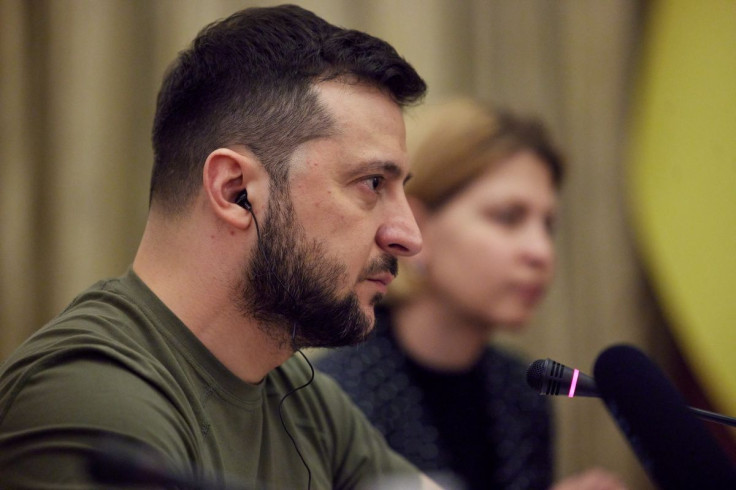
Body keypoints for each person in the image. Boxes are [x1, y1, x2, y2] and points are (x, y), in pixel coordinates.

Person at [0, 5, 441, 489]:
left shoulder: (299, 398)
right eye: (372, 183)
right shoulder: (90, 399)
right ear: (236, 191)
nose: (408, 236)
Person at [317, 98, 626, 490]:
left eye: (548, 226)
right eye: (508, 217)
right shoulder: (333, 396)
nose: (541, 251)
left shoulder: (523, 393)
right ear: (418, 227)